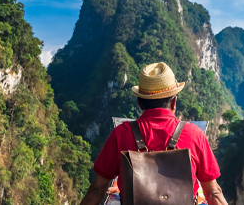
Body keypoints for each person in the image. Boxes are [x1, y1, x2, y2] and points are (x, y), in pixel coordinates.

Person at [79, 62, 228, 205]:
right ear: (174, 102)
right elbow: (213, 193)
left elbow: (98, 189)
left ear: (140, 102)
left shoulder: (121, 134)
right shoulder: (194, 135)